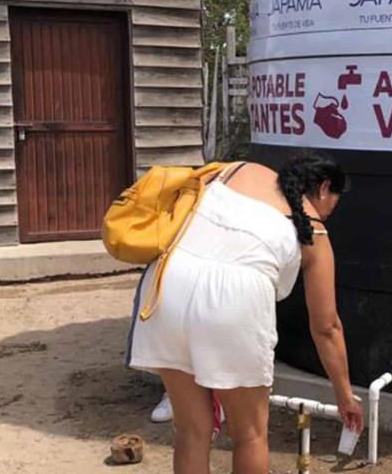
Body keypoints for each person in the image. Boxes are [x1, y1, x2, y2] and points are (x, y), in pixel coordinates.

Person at [127, 153, 363, 474]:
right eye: (334, 202)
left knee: (191, 431)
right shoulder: (315, 232)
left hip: (166, 285)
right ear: (323, 188)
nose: (330, 212)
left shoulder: (241, 169)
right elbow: (327, 327)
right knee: (250, 435)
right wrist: (344, 394)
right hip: (235, 300)